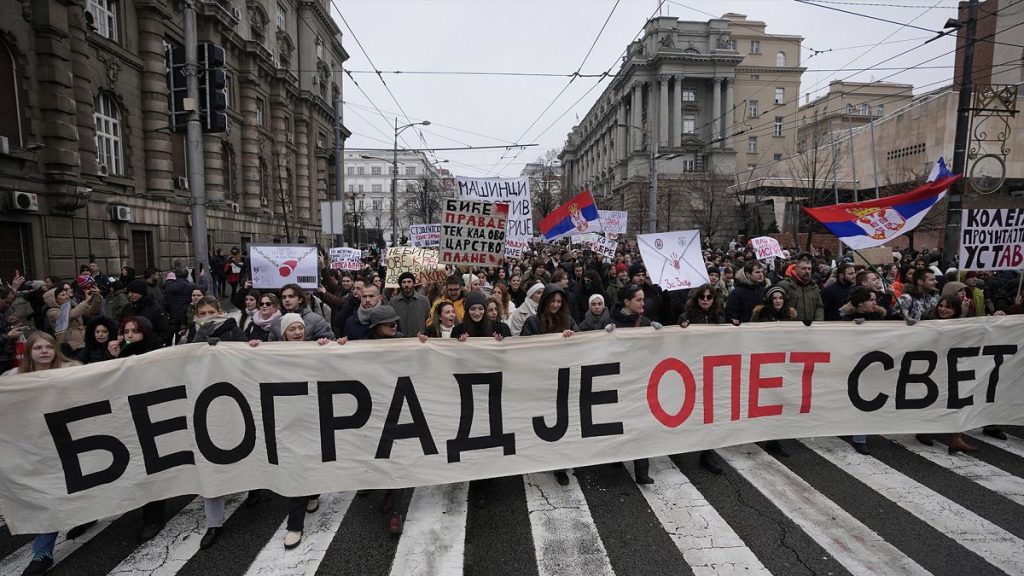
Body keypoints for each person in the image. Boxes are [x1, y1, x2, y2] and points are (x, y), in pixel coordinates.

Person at [250, 312, 337, 549]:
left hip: (315, 415)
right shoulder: (273, 353)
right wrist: (253, 350)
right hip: (288, 418)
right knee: (298, 465)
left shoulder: (315, 348)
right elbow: (252, 370)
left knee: (313, 458)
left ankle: (312, 493)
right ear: (284, 334)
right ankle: (295, 525)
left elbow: (338, 366)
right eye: (292, 329)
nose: (298, 332)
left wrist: (331, 348)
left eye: (301, 327)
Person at [2, 332, 81, 575]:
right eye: (38, 348)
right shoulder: (12, 381)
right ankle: (42, 551)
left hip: (72, 442)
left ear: (56, 350)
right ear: (29, 354)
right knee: (50, 495)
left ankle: (85, 514)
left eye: (49, 347)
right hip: (37, 448)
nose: (44, 351)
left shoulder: (74, 371)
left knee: (80, 487)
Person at [184, 296, 251, 549]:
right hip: (205, 408)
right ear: (197, 315)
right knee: (209, 460)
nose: (208, 316)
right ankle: (214, 523)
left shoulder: (234, 330)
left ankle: (254, 488)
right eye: (203, 313)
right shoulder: (190, 336)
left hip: (235, 403)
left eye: (212, 311)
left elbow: (247, 362)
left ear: (220, 312)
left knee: (245, 452)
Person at [106, 316, 170, 542]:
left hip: (152, 417)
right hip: (126, 417)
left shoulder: (156, 353)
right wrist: (115, 358)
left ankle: (154, 517)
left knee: (152, 465)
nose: (131, 335)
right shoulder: (120, 354)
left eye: (136, 331)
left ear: (145, 332)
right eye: (127, 331)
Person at [519, 283, 577, 485]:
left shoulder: (568, 320)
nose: (556, 305)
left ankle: (560, 466)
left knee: (562, 424)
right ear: (545, 302)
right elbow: (524, 347)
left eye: (559, 301)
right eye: (552, 301)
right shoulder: (533, 322)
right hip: (541, 380)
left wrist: (572, 338)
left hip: (563, 380)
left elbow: (582, 345)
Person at [605, 284, 657, 484]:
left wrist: (660, 335)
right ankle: (617, 454)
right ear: (626, 301)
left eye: (643, 299)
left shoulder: (645, 322)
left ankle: (642, 470)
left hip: (640, 381)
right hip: (619, 381)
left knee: (640, 424)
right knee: (620, 422)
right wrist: (605, 334)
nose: (643, 303)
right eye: (638, 300)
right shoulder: (611, 322)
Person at [678, 285, 731, 472]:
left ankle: (707, 454)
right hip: (691, 371)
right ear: (697, 299)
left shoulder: (720, 319)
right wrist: (682, 331)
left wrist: (737, 329)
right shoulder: (686, 318)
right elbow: (677, 345)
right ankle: (677, 448)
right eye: (702, 297)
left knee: (710, 414)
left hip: (712, 373)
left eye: (709, 297)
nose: (706, 300)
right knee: (686, 412)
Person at [43, 280, 102, 356]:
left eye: (66, 294)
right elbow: (71, 315)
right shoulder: (51, 312)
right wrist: (86, 300)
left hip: (82, 341)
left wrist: (96, 296)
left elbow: (91, 312)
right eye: (63, 295)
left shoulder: (71, 307)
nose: (67, 296)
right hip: (69, 346)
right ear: (54, 300)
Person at [270, 284, 335, 341]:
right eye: (284, 297)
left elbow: (330, 344)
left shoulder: (316, 321)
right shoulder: (276, 322)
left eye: (291, 296)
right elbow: (270, 347)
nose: (287, 300)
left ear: (300, 299)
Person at [777, 253, 824, 323]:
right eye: (804, 268)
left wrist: (818, 322)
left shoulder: (814, 286)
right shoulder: (784, 285)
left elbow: (819, 307)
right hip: (791, 328)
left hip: (811, 328)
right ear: (796, 269)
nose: (807, 271)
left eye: (809, 269)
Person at [125, 279, 172, 346]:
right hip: (129, 347)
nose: (130, 295)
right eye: (128, 292)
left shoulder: (155, 309)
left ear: (142, 292)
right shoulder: (127, 308)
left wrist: (155, 344)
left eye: (133, 292)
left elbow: (165, 332)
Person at [391, 272, 430, 338]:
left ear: (413, 283)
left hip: (419, 340)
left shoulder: (423, 301)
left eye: (409, 282)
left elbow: (428, 320)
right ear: (400, 284)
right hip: (399, 340)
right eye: (404, 282)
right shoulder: (393, 302)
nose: (406, 284)